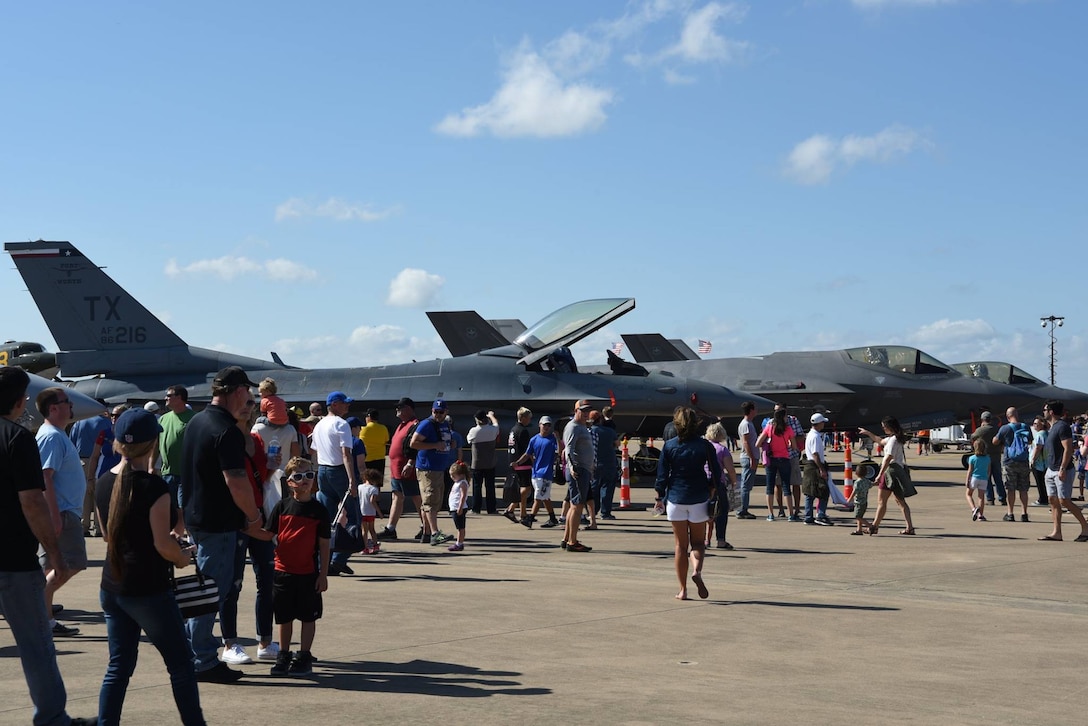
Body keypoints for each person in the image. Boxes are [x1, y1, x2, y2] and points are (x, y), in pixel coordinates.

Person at [95, 408, 206, 726]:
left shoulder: (105, 482)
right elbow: (163, 544)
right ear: (153, 441)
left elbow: (107, 535)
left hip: (112, 585)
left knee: (119, 666)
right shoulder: (154, 487)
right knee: (181, 664)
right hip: (147, 589)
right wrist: (181, 557)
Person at [0, 367, 97, 726]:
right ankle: (53, 718)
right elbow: (32, 501)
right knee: (36, 643)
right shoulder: (18, 438)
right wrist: (53, 549)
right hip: (13, 560)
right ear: (20, 400)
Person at [181, 366, 266, 684]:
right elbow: (237, 481)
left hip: (198, 518)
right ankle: (201, 659)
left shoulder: (198, 421)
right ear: (237, 390)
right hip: (217, 523)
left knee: (206, 588)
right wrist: (255, 518)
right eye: (247, 391)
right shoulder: (226, 430)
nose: (250, 398)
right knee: (212, 591)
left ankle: (195, 654)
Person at [218, 401, 278, 666]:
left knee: (267, 580)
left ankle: (265, 641)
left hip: (259, 518)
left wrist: (273, 465)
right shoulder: (225, 438)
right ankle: (230, 643)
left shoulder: (256, 438)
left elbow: (261, 478)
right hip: (236, 520)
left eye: (250, 404)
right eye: (241, 403)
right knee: (233, 583)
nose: (246, 408)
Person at [265, 456, 330, 677]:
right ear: (289, 482)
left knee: (308, 617)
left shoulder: (319, 510)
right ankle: (283, 654)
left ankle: (304, 655)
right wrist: (244, 526)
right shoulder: (281, 507)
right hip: (282, 572)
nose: (305, 481)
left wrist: (323, 574)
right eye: (299, 477)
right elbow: (267, 534)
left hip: (308, 574)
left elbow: (324, 546)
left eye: (309, 476)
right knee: (283, 617)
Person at [35, 386, 89, 637]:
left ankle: (44, 615)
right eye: (66, 401)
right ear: (53, 408)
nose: (71, 405)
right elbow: (45, 477)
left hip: (64, 512)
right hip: (63, 513)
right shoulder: (52, 437)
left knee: (50, 569)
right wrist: (54, 515)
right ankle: (39, 607)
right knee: (72, 563)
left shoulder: (57, 434)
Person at [655, 406, 721, 600]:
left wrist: (659, 495)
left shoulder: (669, 446)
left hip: (676, 498)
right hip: (699, 497)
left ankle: (683, 590)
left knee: (679, 546)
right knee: (698, 543)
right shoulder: (704, 445)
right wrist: (712, 488)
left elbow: (662, 475)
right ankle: (697, 571)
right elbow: (716, 472)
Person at [311, 391, 360, 575]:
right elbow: (346, 454)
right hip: (338, 470)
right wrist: (352, 480)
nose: (347, 406)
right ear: (335, 405)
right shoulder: (341, 424)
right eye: (344, 403)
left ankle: (321, 561)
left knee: (328, 519)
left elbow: (313, 450)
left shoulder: (319, 425)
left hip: (323, 470)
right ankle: (339, 559)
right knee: (353, 516)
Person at [1038, 400, 1088, 542]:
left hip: (1062, 469)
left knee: (1064, 501)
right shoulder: (1051, 427)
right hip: (1051, 469)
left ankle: (1085, 528)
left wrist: (1062, 468)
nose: (1044, 412)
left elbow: (1068, 449)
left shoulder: (1062, 427)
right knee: (1052, 500)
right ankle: (1056, 532)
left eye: (1045, 409)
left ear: (1051, 411)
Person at [858, 416, 916, 536]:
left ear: (890, 427)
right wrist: (868, 433)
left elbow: (888, 458)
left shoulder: (893, 440)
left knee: (882, 501)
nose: (883, 429)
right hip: (897, 472)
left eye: (884, 427)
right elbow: (879, 441)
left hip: (890, 472)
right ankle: (909, 527)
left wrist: (879, 475)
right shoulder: (893, 438)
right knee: (900, 501)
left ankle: (874, 527)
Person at [409, 398, 456, 546]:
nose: (438, 414)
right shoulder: (426, 425)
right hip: (427, 469)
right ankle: (435, 533)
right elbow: (414, 443)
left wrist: (450, 444)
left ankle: (427, 533)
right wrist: (435, 445)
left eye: (441, 412)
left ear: (446, 412)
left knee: (431, 502)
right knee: (431, 502)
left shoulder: (445, 424)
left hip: (438, 468)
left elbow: (445, 442)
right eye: (436, 411)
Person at [377, 398, 423, 541]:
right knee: (397, 496)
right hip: (397, 469)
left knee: (417, 498)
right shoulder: (402, 425)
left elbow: (416, 446)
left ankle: (426, 527)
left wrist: (410, 463)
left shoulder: (415, 425)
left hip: (406, 469)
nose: (397, 410)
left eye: (400, 407)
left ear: (409, 408)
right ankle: (391, 529)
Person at [69, 404, 111, 537]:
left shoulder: (79, 422)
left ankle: (84, 525)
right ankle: (99, 527)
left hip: (81, 461)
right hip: (100, 462)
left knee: (84, 496)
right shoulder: (106, 423)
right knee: (99, 496)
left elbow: (72, 442)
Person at [562, 400, 596, 552]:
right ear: (576, 411)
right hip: (578, 470)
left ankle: (567, 538)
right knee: (577, 506)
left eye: (588, 410)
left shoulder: (582, 426)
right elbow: (568, 449)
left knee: (574, 505)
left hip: (583, 469)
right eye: (583, 410)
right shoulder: (573, 427)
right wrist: (572, 466)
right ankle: (572, 541)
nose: (586, 413)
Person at [515, 416, 560, 529]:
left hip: (545, 474)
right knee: (545, 496)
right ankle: (552, 518)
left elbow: (559, 451)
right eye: (544, 425)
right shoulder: (534, 439)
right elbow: (527, 454)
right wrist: (518, 462)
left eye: (549, 425)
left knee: (538, 497)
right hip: (535, 473)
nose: (546, 427)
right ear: (539, 425)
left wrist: (558, 439)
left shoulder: (552, 439)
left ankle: (530, 518)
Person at [755, 408, 800, 522]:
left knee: (770, 487)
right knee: (786, 487)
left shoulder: (769, 428)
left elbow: (758, 443)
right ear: (784, 418)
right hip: (784, 459)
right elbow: (794, 446)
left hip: (771, 459)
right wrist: (788, 444)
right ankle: (790, 514)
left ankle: (771, 514)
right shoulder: (788, 429)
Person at [159, 384, 195, 511]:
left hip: (186, 473)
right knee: (170, 506)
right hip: (167, 472)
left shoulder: (194, 419)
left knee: (182, 507)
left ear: (179, 397)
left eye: (169, 395)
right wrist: (151, 465)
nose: (165, 398)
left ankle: (183, 531)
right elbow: (155, 444)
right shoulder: (163, 419)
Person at [704, 421, 738, 549]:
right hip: (718, 483)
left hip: (703, 483)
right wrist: (734, 483)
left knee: (703, 511)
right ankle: (721, 540)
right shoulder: (722, 449)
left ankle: (703, 539)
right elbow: (730, 469)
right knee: (721, 511)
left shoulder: (703, 447)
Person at [995, 406, 1032, 522]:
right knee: (1023, 489)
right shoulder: (1025, 426)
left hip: (1009, 461)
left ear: (1007, 416)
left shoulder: (1005, 428)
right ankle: (1024, 513)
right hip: (1023, 461)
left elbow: (995, 441)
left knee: (1010, 489)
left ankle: (1010, 513)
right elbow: (1030, 441)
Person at [503, 407, 534, 524]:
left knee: (522, 489)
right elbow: (527, 450)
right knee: (525, 489)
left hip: (513, 462)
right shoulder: (523, 431)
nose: (530, 420)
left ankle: (511, 510)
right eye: (529, 418)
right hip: (522, 464)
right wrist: (529, 461)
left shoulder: (513, 429)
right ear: (523, 418)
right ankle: (523, 514)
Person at [802, 413, 834, 526]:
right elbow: (815, 454)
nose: (824, 424)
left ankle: (808, 516)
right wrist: (822, 469)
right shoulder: (816, 437)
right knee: (823, 491)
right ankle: (820, 515)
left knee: (809, 493)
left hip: (809, 465)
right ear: (819, 423)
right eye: (823, 422)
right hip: (815, 465)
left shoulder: (810, 434)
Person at [467, 409, 500, 515]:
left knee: (477, 486)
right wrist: (491, 415)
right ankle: (492, 509)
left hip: (477, 463)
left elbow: (469, 440)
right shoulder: (492, 430)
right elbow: (496, 424)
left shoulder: (474, 431)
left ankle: (476, 508)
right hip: (490, 463)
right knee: (490, 486)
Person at [589, 410, 620, 521]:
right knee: (607, 488)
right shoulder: (609, 431)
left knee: (594, 488)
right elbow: (617, 444)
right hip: (609, 463)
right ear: (600, 419)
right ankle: (605, 512)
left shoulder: (589, 432)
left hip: (594, 464)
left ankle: (593, 511)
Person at [971, 411, 1006, 507]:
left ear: (982, 419)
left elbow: (972, 437)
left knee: (987, 478)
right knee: (998, 478)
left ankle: (990, 499)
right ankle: (1002, 498)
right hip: (996, 456)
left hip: (985, 457)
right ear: (991, 419)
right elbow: (1003, 441)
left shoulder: (980, 430)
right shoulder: (997, 429)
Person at [735, 401, 759, 519]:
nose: (756, 411)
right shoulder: (746, 424)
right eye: (755, 409)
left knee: (747, 485)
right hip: (748, 457)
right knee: (745, 485)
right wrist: (752, 458)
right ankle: (742, 510)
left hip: (750, 457)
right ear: (751, 410)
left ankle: (743, 508)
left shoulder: (749, 423)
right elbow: (745, 442)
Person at [965, 439, 991, 521]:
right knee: (981, 497)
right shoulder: (987, 458)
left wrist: (967, 480)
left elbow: (970, 470)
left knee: (968, 494)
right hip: (984, 479)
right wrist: (987, 477)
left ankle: (973, 508)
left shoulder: (972, 458)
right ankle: (981, 515)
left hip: (975, 478)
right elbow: (989, 470)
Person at [360, 408, 390, 477]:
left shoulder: (363, 429)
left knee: (368, 482)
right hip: (380, 459)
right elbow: (386, 440)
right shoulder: (383, 428)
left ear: (369, 417)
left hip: (367, 459)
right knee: (378, 482)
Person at [447, 461, 470, 552]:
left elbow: (463, 496)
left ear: (461, 475)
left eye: (453, 475)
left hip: (459, 508)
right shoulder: (458, 482)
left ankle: (459, 543)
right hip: (454, 507)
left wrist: (460, 507)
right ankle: (459, 542)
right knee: (459, 526)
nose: (452, 477)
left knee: (460, 527)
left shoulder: (463, 483)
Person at [360, 468, 383, 554]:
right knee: (372, 530)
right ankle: (375, 545)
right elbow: (372, 501)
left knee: (364, 531)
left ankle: (364, 547)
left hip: (362, 512)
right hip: (371, 512)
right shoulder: (374, 489)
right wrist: (379, 512)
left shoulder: (360, 487)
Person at [1030, 415, 1049, 506]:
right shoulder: (1046, 433)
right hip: (1045, 462)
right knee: (1043, 481)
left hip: (1039, 462)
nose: (1034, 426)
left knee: (1039, 481)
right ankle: (1045, 497)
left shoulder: (1039, 435)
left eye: (1036, 424)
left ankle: (1042, 499)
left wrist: (1033, 459)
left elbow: (1038, 447)